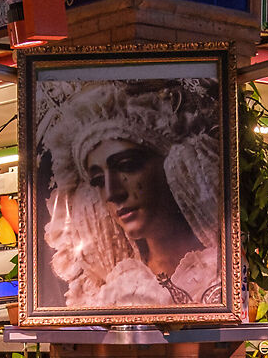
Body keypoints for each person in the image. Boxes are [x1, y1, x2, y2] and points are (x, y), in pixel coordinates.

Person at [31, 77, 223, 311]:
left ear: (173, 165)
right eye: (98, 181)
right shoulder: (116, 286)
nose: (112, 193)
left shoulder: (218, 268)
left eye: (127, 166)